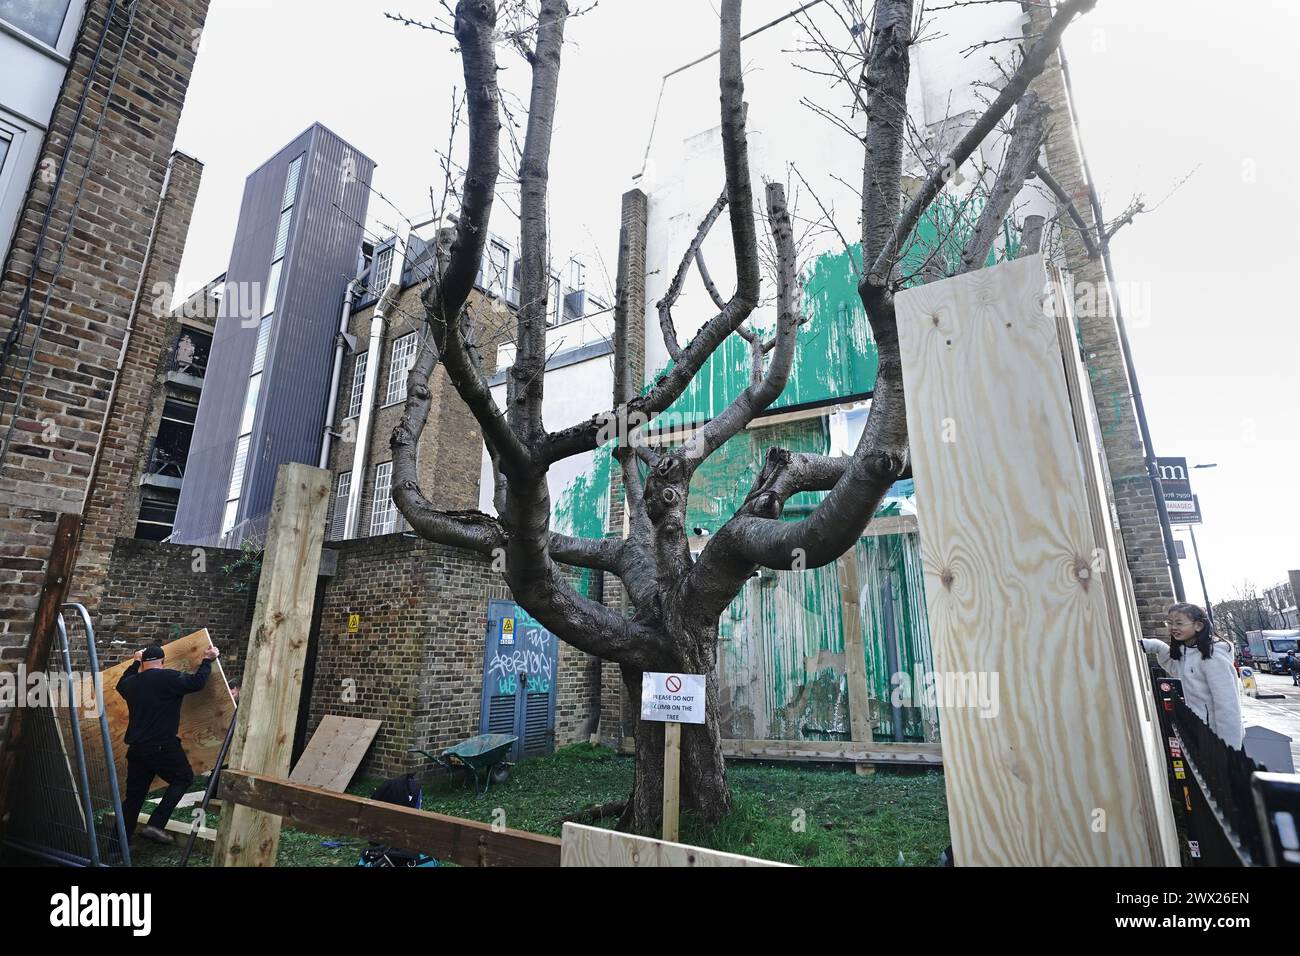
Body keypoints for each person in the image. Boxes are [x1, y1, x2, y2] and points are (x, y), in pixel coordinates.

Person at [116, 642, 219, 844]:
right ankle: (155, 824)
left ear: (144, 663)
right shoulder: (168, 677)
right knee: (183, 778)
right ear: (162, 662)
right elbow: (197, 682)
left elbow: (121, 683)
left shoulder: (131, 684)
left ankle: (115, 849)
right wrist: (207, 659)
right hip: (162, 746)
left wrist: (135, 663)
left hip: (137, 749)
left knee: (134, 799)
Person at [1142, 603, 1242, 750]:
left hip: (1217, 739)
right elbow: (1176, 669)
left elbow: (1228, 705)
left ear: (1198, 626)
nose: (1173, 627)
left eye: (1179, 623)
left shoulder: (1213, 658)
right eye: (1169, 623)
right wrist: (1157, 646)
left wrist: (1229, 749)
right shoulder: (1190, 651)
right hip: (1200, 732)